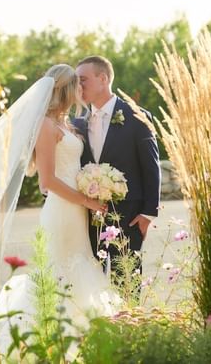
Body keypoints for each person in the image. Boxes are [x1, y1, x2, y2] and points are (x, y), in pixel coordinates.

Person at [0, 64, 122, 357]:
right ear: (66, 89)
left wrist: (94, 187)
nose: (81, 90)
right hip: (62, 211)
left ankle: (81, 344)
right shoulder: (46, 126)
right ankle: (51, 343)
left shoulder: (69, 124)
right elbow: (47, 181)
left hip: (76, 211)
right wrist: (87, 200)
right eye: (77, 84)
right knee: (61, 272)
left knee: (78, 268)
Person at [73, 55, 161, 285]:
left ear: (103, 79)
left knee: (127, 283)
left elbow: (151, 166)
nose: (78, 86)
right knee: (92, 283)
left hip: (130, 216)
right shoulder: (78, 123)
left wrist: (148, 213)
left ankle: (129, 322)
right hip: (89, 217)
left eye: (83, 79)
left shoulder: (136, 116)